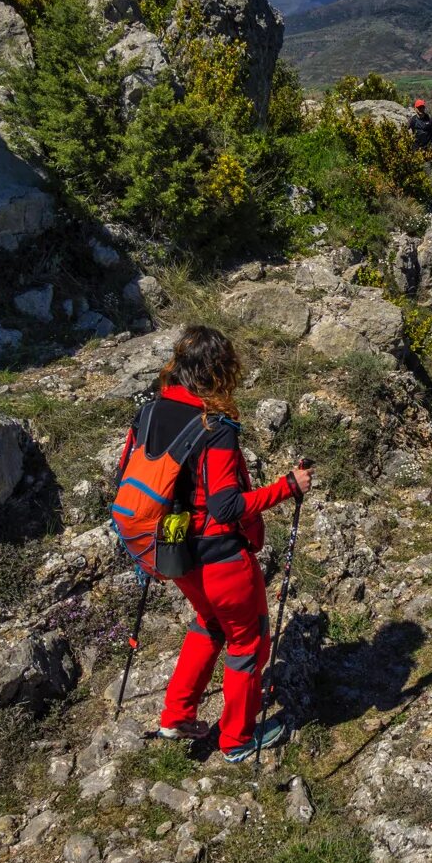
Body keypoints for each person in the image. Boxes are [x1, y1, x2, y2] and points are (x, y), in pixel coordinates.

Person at [144, 325, 312, 761]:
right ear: (220, 371)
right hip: (220, 556)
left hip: (175, 552)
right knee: (247, 642)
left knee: (209, 624)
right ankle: (237, 740)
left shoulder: (151, 411)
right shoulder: (214, 427)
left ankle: (177, 715)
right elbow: (226, 506)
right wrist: (286, 487)